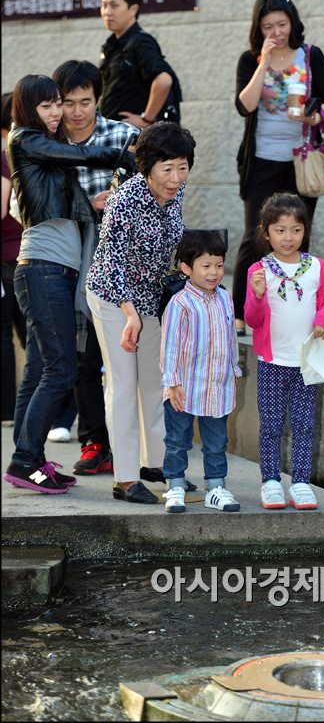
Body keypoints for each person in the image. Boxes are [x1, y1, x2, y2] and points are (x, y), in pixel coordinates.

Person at [3, 74, 132, 495]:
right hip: (43, 269)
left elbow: (62, 201)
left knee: (46, 369)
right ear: (28, 109)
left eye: (58, 103)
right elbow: (82, 154)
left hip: (54, 269)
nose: (57, 112)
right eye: (48, 105)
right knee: (61, 370)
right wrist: (126, 152)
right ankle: (25, 461)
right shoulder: (26, 139)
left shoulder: (44, 147)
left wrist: (93, 204)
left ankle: (31, 459)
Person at [86, 121, 196, 504]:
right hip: (112, 296)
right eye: (167, 169)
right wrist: (129, 314)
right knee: (122, 384)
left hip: (151, 298)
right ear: (147, 166)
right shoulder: (124, 200)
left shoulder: (175, 192)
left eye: (182, 167)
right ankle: (126, 478)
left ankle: (157, 464)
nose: (176, 178)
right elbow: (111, 262)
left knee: (154, 381)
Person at [51, 59, 139, 474]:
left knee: (129, 359)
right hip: (69, 260)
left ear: (97, 99)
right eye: (68, 103)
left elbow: (153, 193)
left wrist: (116, 205)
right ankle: (94, 443)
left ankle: (136, 445)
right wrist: (86, 206)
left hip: (123, 264)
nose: (76, 112)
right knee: (82, 357)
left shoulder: (124, 136)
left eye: (84, 102)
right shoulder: (45, 141)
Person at [232, 0, 324, 336]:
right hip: (262, 159)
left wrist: (314, 116)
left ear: (293, 23)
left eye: (281, 24)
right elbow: (245, 105)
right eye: (268, 26)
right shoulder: (250, 59)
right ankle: (240, 313)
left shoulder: (311, 55)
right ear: (258, 28)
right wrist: (263, 62)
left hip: (302, 159)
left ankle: (297, 310)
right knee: (256, 236)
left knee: (297, 237)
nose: (276, 32)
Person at [244, 192, 324, 511]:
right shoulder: (259, 270)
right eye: (280, 230)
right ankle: (271, 481)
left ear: (305, 230)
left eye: (296, 230)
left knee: (304, 424)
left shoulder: (316, 267)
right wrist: (258, 295)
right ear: (266, 231)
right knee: (271, 425)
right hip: (272, 362)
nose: (288, 237)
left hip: (305, 362)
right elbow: (252, 319)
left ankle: (300, 482)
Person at [160, 230, 242, 514]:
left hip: (217, 386)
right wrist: (172, 383)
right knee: (177, 440)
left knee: (217, 442)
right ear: (186, 268)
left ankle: (216, 487)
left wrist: (233, 369)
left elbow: (230, 337)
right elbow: (170, 346)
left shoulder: (224, 298)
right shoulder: (180, 303)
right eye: (206, 266)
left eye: (219, 265)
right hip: (184, 387)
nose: (214, 272)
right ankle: (175, 485)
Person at [98, 0, 181, 129]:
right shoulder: (112, 45)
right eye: (104, 5)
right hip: (113, 133)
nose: (107, 12)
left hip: (135, 137)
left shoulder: (141, 42)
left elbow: (163, 80)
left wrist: (146, 119)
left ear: (133, 9)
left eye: (114, 6)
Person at [1, 92, 26, 425]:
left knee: (4, 334)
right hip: (24, 255)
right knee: (32, 337)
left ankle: (7, 410)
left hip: (8, 258)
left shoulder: (6, 156)